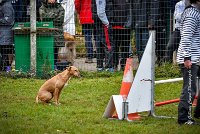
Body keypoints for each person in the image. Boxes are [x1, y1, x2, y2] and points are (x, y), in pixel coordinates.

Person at [176, 0, 200, 125]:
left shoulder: (195, 12)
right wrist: (187, 58)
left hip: (195, 57)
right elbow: (186, 36)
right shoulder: (192, 13)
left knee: (192, 88)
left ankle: (197, 113)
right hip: (190, 58)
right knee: (190, 89)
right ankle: (184, 118)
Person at [39, 0, 65, 68]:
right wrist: (55, 15)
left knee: (55, 51)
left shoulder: (60, 8)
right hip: (46, 33)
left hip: (57, 33)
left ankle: (54, 67)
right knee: (46, 51)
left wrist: (49, 17)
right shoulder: (42, 7)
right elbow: (43, 18)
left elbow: (60, 20)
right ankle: (47, 67)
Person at [92, 0, 115, 72]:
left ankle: (100, 67)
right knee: (108, 45)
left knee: (99, 45)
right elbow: (101, 13)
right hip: (103, 24)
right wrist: (107, 23)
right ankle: (109, 68)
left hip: (99, 23)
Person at [112, 0, 133, 71]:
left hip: (126, 28)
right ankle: (115, 64)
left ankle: (124, 65)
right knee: (115, 48)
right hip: (115, 27)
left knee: (125, 48)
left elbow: (131, 12)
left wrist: (127, 24)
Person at [0, 0, 15, 71]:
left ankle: (5, 68)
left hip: (6, 33)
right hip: (4, 33)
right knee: (5, 50)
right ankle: (6, 68)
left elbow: (8, 20)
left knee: (5, 50)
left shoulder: (6, 6)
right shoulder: (4, 5)